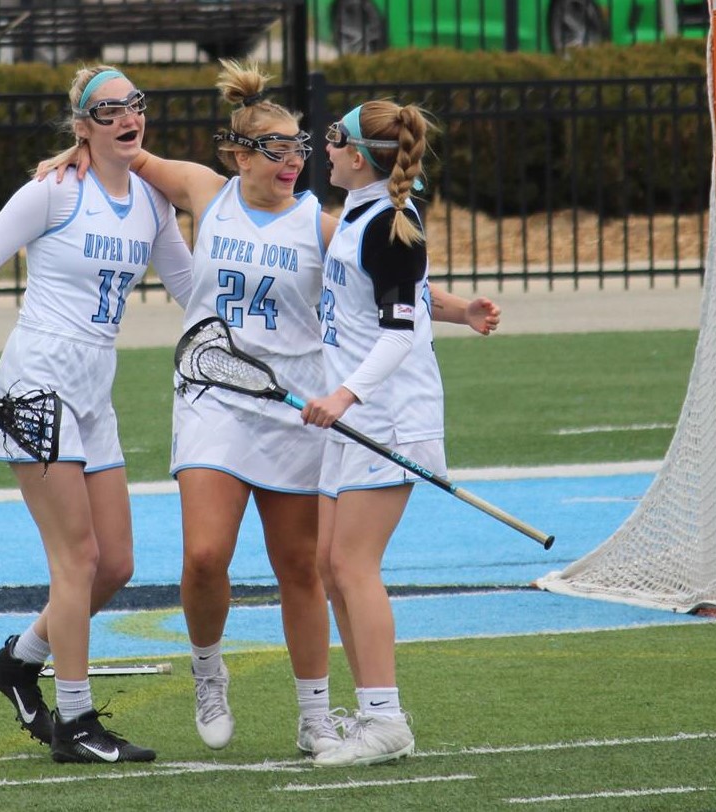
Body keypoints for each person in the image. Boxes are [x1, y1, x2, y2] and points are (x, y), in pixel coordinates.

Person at [40, 62, 499, 758]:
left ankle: (315, 713)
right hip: (213, 391)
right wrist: (76, 147)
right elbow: (123, 149)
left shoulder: (323, 226)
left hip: (297, 404)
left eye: (300, 148)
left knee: (303, 567)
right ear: (238, 153)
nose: (292, 161)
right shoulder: (206, 192)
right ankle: (207, 671)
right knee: (203, 556)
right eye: (276, 147)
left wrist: (460, 309)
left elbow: (383, 286)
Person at [0, 65, 194, 764]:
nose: (127, 118)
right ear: (83, 125)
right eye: (108, 109)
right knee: (78, 559)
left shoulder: (149, 201)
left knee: (114, 562)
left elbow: (189, 288)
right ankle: (77, 722)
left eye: (134, 106)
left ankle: (18, 662)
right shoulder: (53, 191)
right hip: (37, 384)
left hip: (93, 388)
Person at [300, 99, 444, 767]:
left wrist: (343, 394)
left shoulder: (390, 223)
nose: (322, 147)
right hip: (352, 417)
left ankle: (386, 721)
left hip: (386, 417)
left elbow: (398, 333)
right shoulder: (359, 214)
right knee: (331, 568)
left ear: (357, 155)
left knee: (353, 567)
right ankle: (372, 714)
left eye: (332, 137)